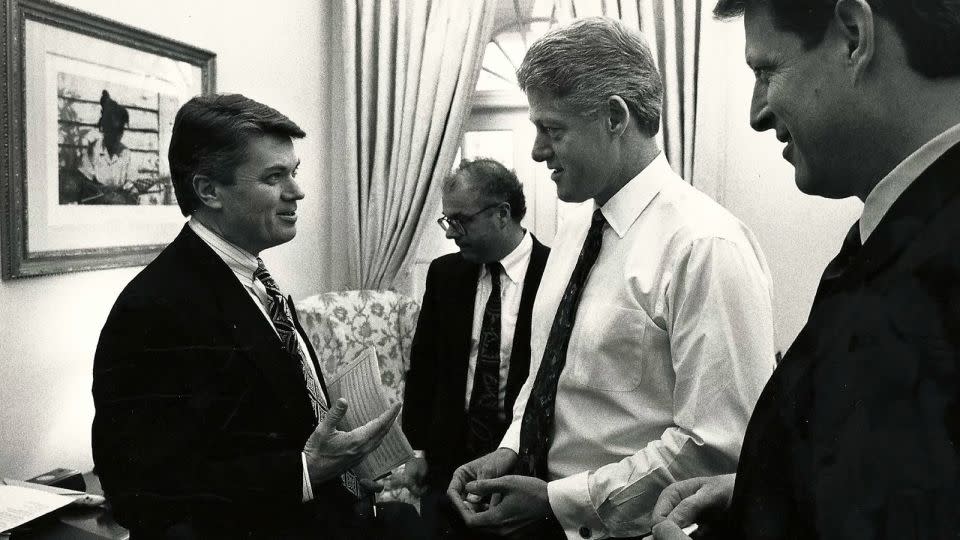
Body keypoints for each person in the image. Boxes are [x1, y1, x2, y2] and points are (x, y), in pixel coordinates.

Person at [446, 17, 776, 540]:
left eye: (552, 130)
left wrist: (557, 502)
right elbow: (549, 378)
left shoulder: (706, 245)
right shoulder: (573, 230)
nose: (536, 151)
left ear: (615, 117)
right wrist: (510, 449)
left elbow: (717, 446)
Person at [651, 1, 960, 538]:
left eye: (766, 71)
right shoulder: (903, 227)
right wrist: (762, 488)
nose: (756, 113)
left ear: (852, 35)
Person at [92, 93, 417, 539]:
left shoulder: (253, 275)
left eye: (294, 173)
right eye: (274, 177)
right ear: (209, 191)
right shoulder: (152, 310)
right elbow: (145, 492)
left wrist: (342, 467)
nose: (297, 191)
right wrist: (306, 470)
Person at [401, 158, 550, 537]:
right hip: (447, 461)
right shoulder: (444, 275)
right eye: (447, 220)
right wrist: (416, 452)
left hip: (524, 466)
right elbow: (423, 369)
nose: (452, 233)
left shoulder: (557, 273)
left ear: (502, 214)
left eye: (460, 220)